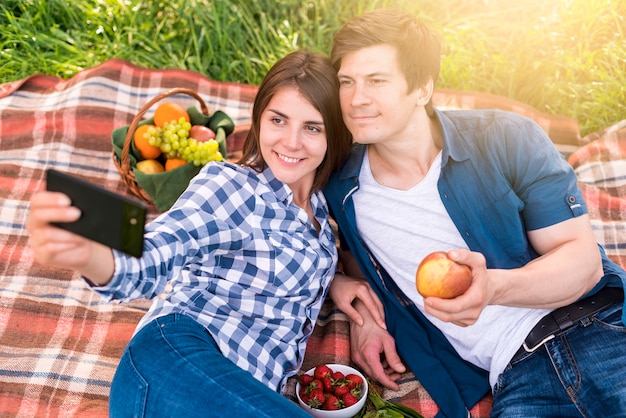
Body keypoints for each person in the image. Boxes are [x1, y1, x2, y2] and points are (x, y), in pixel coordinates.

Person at [323, 8, 626, 418]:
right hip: (517, 378)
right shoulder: (342, 189)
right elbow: (351, 262)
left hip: (600, 331)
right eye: (347, 81)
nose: (356, 99)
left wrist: (494, 288)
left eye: (377, 81)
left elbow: (584, 264)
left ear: (422, 89)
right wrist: (364, 317)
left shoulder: (506, 138)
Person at [27, 50, 352, 418]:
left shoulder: (323, 213)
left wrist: (334, 280)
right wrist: (89, 256)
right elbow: (158, 252)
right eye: (278, 120)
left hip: (235, 398)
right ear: (259, 120)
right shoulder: (232, 187)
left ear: (332, 136)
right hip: (172, 362)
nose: (291, 142)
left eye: (312, 127)